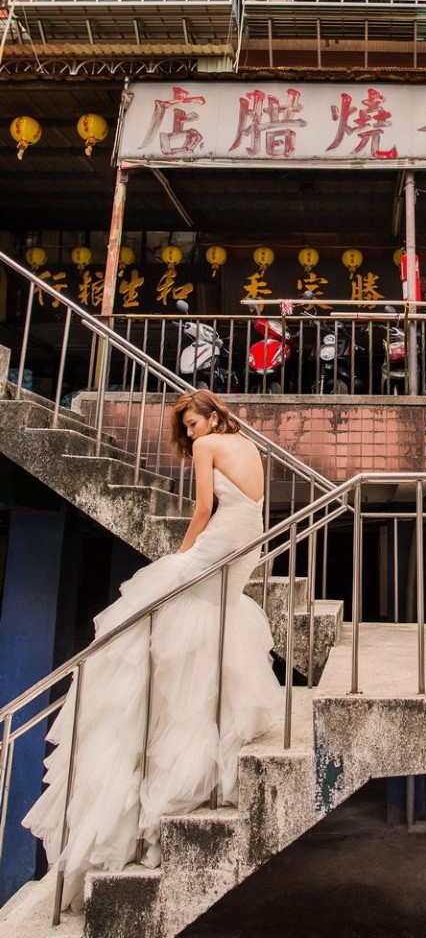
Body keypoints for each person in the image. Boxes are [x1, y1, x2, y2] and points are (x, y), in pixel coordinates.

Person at [23, 391, 282, 912]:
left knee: (155, 605)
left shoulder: (209, 446)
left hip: (217, 545)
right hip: (245, 543)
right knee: (205, 626)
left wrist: (180, 556)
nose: (190, 434)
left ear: (214, 416)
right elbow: (249, 505)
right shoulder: (249, 446)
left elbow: (203, 508)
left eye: (193, 423)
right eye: (186, 428)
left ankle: (155, 739)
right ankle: (194, 735)